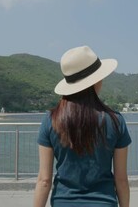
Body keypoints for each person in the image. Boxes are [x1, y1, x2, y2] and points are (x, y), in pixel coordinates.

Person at [34, 46, 132, 207]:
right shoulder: (116, 121)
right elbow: (121, 179)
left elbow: (44, 180)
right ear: (95, 81)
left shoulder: (51, 120)